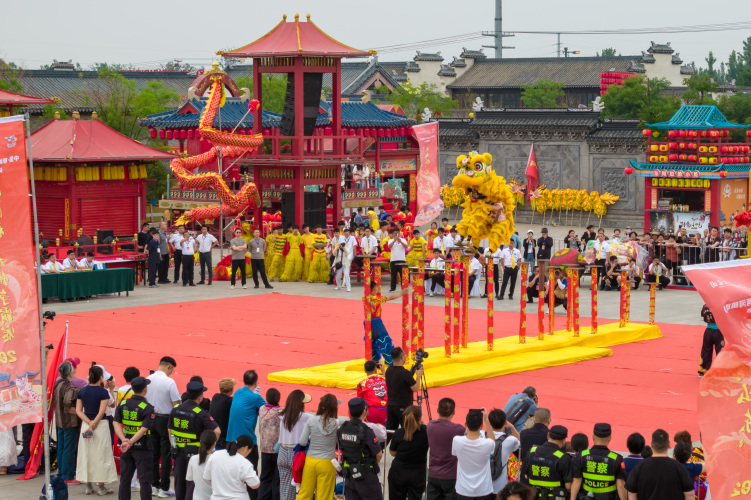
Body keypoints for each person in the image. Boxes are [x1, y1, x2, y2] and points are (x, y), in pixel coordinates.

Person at [169, 380, 220, 500]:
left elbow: (170, 431)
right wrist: (209, 448)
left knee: (179, 482)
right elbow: (217, 431)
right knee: (192, 483)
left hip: (178, 452)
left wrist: (174, 446)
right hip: (195, 453)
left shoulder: (175, 409)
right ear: (200, 397)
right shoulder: (200, 413)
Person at [75, 365, 118, 496]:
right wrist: (93, 424)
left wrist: (88, 423)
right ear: (101, 377)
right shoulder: (103, 392)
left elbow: (78, 411)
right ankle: (101, 486)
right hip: (100, 425)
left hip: (86, 424)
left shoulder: (82, 391)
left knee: (86, 453)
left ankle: (88, 485)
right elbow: (101, 411)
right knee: (101, 455)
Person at [113, 376, 154, 500]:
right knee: (145, 481)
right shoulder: (147, 407)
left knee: (125, 480)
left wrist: (124, 440)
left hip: (126, 447)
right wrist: (130, 442)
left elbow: (115, 422)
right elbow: (144, 429)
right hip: (143, 448)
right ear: (145, 389)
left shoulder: (123, 404)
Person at [227, 369, 266, 499]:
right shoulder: (256, 398)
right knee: (251, 475)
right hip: (247, 443)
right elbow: (268, 410)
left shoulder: (238, 392)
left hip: (231, 440)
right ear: (256, 382)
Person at [146, 356, 181, 498]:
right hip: (165, 419)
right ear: (170, 367)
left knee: (154, 453)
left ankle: (154, 485)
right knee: (166, 454)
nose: (172, 373)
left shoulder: (148, 379)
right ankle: (164, 487)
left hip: (151, 418)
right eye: (172, 370)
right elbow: (176, 403)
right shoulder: (169, 382)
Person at [625, 429, 694, 500]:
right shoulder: (679, 468)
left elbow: (631, 493)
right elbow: (690, 494)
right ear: (669, 444)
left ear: (651, 444)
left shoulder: (639, 467)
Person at [297, 394, 340, 500]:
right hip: (328, 461)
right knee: (324, 495)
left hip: (310, 460)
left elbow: (302, 441)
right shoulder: (338, 423)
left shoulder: (311, 420)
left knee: (304, 493)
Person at [571, 423, 627, 500]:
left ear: (593, 437)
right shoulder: (616, 459)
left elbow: (576, 481)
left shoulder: (581, 456)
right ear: (609, 439)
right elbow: (620, 486)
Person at [451, 409, 496, 500]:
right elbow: (492, 440)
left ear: (466, 424)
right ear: (481, 426)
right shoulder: (487, 444)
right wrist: (486, 420)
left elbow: (454, 453)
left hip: (463, 490)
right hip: (483, 490)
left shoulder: (457, 440)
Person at [426, 398, 466, 500]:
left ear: (437, 410)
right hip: (451, 476)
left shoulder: (430, 426)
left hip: (433, 474)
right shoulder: (459, 429)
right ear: (453, 412)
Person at [388, 405, 429, 500]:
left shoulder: (399, 433)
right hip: (417, 474)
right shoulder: (425, 432)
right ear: (420, 418)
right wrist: (422, 422)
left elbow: (392, 452)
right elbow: (427, 428)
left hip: (398, 472)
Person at [278, 390, 312, 500]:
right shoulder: (306, 417)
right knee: (305, 487)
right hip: (298, 454)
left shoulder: (282, 415)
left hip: (283, 452)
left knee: (285, 488)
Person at [522, 424, 572, 498]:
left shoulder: (532, 451)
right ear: (563, 441)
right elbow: (568, 486)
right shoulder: (563, 457)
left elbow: (526, 475)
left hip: (533, 496)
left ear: (548, 435)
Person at [203, 434, 261, 499]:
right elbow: (255, 484)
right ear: (245, 448)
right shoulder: (244, 462)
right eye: (249, 452)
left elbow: (207, 478)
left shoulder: (215, 455)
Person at [53, 360, 80, 483]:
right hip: (69, 422)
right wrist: (70, 409)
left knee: (61, 448)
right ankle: (68, 475)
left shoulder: (58, 383)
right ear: (70, 373)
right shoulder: (68, 386)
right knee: (69, 449)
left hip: (59, 421)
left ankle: (61, 473)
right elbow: (67, 401)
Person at [385, 347, 422, 434]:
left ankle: (385, 443)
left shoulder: (388, 370)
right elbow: (416, 388)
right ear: (402, 357)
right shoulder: (405, 373)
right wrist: (418, 376)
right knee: (406, 430)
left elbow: (399, 377)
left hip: (390, 405)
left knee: (390, 430)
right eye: (404, 355)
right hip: (404, 407)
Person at [488, 409, 520, 494]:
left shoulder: (483, 436)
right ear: (505, 422)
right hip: (500, 486)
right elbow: (518, 442)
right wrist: (512, 427)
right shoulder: (510, 440)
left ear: (489, 422)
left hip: (484, 486)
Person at [186, 430, 218, 500]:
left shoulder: (193, 459)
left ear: (200, 441)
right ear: (214, 444)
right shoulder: (216, 460)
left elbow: (189, 479)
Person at [357, 360, 387, 425]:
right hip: (387, 410)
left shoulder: (361, 384)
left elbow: (360, 402)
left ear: (365, 370)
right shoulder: (385, 378)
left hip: (372, 412)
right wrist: (384, 372)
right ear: (376, 369)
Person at [210, 377, 236, 449]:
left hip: (213, 437)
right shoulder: (230, 401)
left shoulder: (215, 397)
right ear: (231, 390)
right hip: (223, 441)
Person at [699, 304, 724, 377]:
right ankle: (720, 371)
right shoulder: (720, 304)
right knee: (720, 351)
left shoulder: (705, 305)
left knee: (706, 351)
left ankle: (703, 371)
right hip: (719, 331)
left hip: (708, 331)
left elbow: (702, 315)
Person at [388, 228, 410, 292]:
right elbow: (389, 246)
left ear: (399, 234)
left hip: (401, 259)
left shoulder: (403, 240)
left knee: (402, 275)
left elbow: (406, 246)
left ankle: (403, 287)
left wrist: (400, 241)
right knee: (393, 275)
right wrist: (394, 240)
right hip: (393, 259)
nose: (396, 235)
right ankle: (393, 288)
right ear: (393, 234)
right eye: (395, 233)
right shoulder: (390, 240)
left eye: (397, 233)